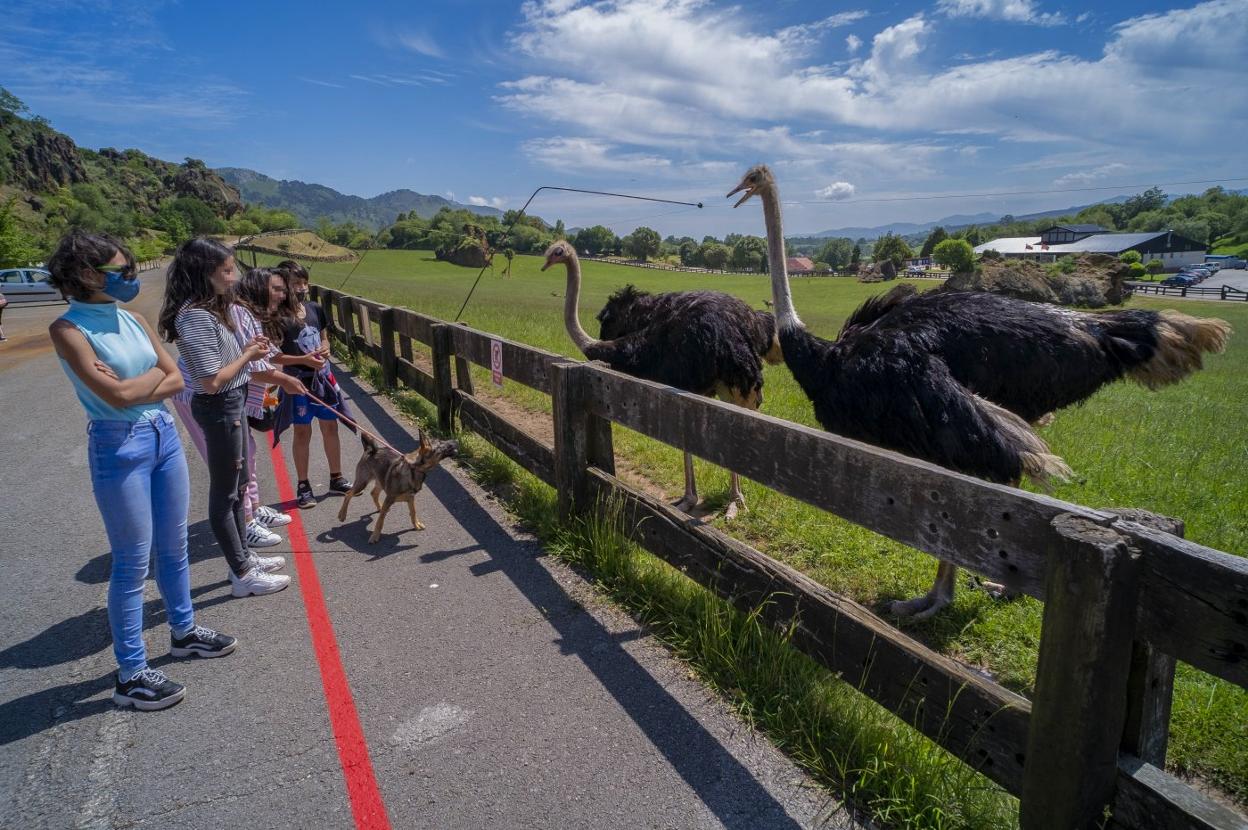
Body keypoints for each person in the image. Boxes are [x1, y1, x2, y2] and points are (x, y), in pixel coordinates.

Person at [47, 231, 236, 711]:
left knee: (174, 548)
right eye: (121, 272)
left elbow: (174, 378)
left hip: (161, 436)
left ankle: (184, 630)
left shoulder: (129, 318)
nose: (131, 279)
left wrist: (141, 383)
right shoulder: (68, 329)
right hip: (119, 445)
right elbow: (118, 397)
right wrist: (148, 381)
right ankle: (131, 674)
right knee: (132, 563)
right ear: (88, 275)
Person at [158, 238, 290, 597]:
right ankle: (242, 573)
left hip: (232, 404)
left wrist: (250, 352)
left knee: (239, 484)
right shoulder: (197, 316)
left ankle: (244, 557)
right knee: (226, 495)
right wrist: (248, 355)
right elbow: (212, 380)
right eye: (227, 270)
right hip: (220, 407)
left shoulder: (211, 310)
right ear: (206, 274)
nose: (234, 278)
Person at [167, 267, 304, 548]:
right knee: (234, 463)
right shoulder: (234, 312)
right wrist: (285, 380)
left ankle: (253, 507)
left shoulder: (247, 313)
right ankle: (246, 522)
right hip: (204, 396)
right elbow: (248, 365)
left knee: (246, 453)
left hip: (229, 394)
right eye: (276, 288)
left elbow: (255, 357)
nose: (283, 294)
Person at [270, 260, 352, 509]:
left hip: (323, 380)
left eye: (304, 282)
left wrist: (325, 349)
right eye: (296, 284)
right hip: (297, 382)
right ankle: (304, 484)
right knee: (302, 432)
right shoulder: (277, 317)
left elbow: (325, 338)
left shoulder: (315, 308)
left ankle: (336, 477)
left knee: (331, 427)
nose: (302, 287)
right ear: (283, 285)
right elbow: (273, 356)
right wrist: (302, 359)